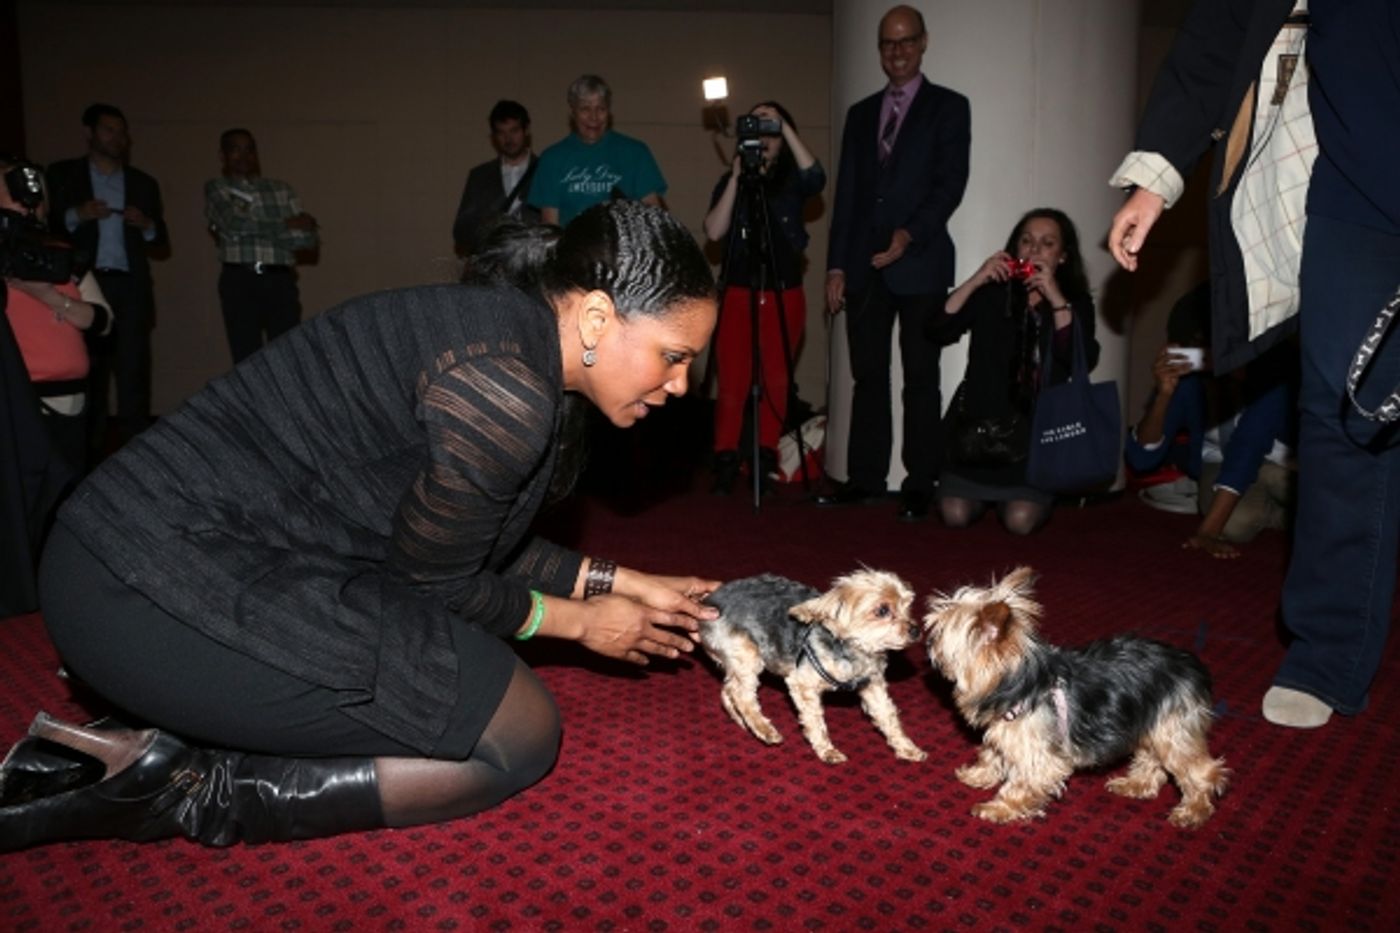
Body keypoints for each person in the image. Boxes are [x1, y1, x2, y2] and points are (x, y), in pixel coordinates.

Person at [0, 200, 722, 852]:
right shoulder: (502, 388)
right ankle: (181, 786)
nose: (682, 384)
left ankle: (154, 734)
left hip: (138, 553)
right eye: (674, 355)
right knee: (518, 736)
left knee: (499, 704)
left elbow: (468, 534)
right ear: (597, 319)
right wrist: (583, 623)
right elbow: (438, 585)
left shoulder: (508, 337)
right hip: (145, 587)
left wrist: (623, 579)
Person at [1107, 0, 1400, 728]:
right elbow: (1221, 30)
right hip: (1355, 174)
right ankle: (1326, 654)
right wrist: (1160, 172)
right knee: (1342, 407)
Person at [818, 4, 970, 522]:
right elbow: (847, 198)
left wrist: (910, 235)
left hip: (922, 262)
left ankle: (920, 483)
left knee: (920, 378)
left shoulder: (950, 107)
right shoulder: (861, 114)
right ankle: (865, 479)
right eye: (887, 43)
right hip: (863, 267)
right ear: (879, 50)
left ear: (924, 42)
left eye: (906, 41)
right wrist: (836, 266)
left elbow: (950, 185)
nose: (897, 51)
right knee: (868, 377)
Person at [932, 208, 1097, 535]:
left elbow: (1080, 357)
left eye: (1047, 243)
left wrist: (1055, 299)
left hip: (1034, 438)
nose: (1034, 249)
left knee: (1020, 521)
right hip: (977, 433)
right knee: (954, 514)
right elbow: (938, 329)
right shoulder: (993, 293)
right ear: (1014, 248)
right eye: (1026, 241)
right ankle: (976, 494)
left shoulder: (1072, 301)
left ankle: (1030, 496)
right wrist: (977, 278)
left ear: (1062, 256)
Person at [701, 101, 825, 495]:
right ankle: (724, 458)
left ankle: (765, 457)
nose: (765, 137)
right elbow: (715, 230)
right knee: (733, 379)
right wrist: (738, 175)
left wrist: (783, 127)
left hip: (784, 290)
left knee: (775, 379)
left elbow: (817, 176)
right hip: (739, 289)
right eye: (758, 126)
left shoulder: (792, 181)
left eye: (771, 128)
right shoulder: (732, 180)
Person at [1127, 287, 1299, 558]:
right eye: (1195, 348)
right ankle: (1285, 518)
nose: (1203, 355)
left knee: (1286, 481)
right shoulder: (1192, 382)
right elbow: (1141, 459)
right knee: (1236, 525)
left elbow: (1250, 442)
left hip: (1285, 463)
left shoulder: (1274, 368)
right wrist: (1163, 395)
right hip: (1223, 463)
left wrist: (1206, 531)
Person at [46, 102, 167, 451]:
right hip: (85, 286)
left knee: (133, 375)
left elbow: (162, 239)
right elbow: (46, 227)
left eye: (122, 131)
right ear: (89, 133)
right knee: (89, 375)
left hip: (129, 287)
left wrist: (146, 225)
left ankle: (137, 460)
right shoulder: (63, 175)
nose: (118, 137)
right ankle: (88, 459)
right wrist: (76, 215)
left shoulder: (143, 183)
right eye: (109, 129)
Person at [1, 156, 113, 475]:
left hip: (74, 402)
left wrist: (46, 294)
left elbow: (103, 323)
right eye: (13, 189)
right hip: (18, 405)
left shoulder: (62, 257)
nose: (26, 201)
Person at [204, 128, 319, 365]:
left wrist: (254, 230)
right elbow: (234, 224)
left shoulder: (281, 190)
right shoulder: (217, 188)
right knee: (247, 358)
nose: (243, 155)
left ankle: (286, 403)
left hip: (279, 279)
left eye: (249, 149)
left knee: (287, 355)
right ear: (223, 155)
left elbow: (306, 240)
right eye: (236, 149)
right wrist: (287, 224)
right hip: (240, 279)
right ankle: (250, 403)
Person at [528, 75, 666, 228]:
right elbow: (550, 225)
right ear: (573, 112)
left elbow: (654, 215)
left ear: (609, 111)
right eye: (585, 109)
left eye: (600, 109)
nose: (594, 117)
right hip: (572, 249)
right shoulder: (552, 159)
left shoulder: (636, 152)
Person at [452, 99, 541, 258]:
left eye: (514, 131)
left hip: (535, 261)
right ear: (494, 136)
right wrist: (492, 217)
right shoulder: (479, 176)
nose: (508, 139)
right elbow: (461, 232)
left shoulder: (546, 170)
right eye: (501, 132)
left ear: (526, 130)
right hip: (493, 262)